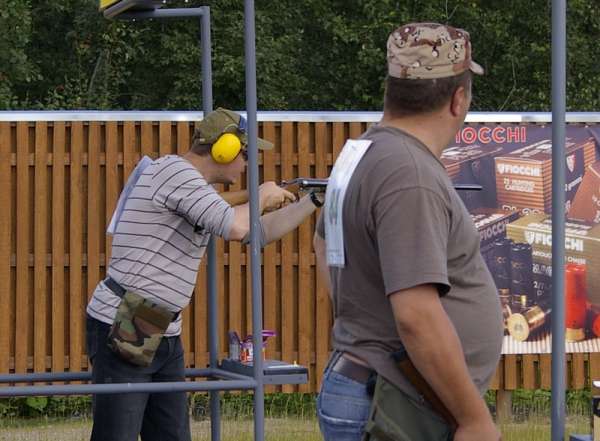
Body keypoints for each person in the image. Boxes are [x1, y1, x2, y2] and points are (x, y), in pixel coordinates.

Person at [85, 107, 324, 441]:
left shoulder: (196, 189)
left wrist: (312, 201)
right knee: (117, 435)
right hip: (130, 316)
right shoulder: (174, 172)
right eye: (245, 154)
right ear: (223, 148)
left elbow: (259, 232)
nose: (247, 164)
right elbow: (237, 226)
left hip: (161, 323)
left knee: (172, 435)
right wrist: (261, 195)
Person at [313, 23, 503, 441]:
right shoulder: (409, 174)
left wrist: (366, 328)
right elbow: (416, 315)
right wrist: (474, 420)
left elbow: (323, 246)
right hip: (394, 399)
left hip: (375, 386)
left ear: (392, 89)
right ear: (458, 99)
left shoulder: (361, 152)